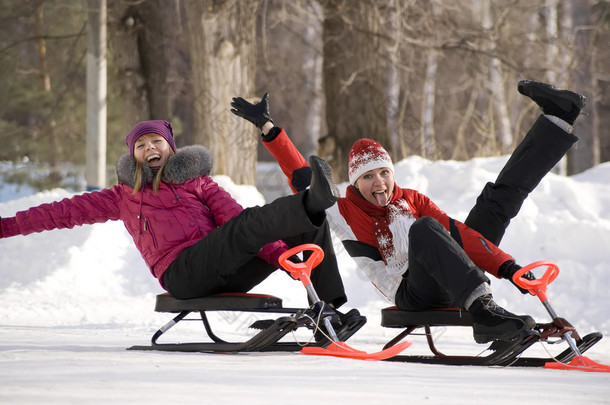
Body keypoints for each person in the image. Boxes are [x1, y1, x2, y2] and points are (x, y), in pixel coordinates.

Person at [230, 80, 585, 344]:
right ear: (356, 182)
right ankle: (483, 310)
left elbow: (461, 237)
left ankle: (558, 120)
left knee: (497, 202)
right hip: (413, 291)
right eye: (368, 177)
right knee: (425, 229)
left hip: (451, 272)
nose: (380, 183)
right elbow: (303, 179)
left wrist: (509, 268)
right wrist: (269, 129)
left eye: (384, 172)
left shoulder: (411, 199)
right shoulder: (343, 210)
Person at [0, 119, 357, 328]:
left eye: (157, 141)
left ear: (170, 148)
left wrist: (281, 254)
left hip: (226, 268)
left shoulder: (199, 183)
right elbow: (56, 213)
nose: (150, 147)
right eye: (142, 145)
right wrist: (5, 226)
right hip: (183, 274)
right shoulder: (122, 196)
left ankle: (330, 315)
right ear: (134, 156)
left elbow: (236, 220)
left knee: (308, 225)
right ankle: (309, 199)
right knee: (254, 223)